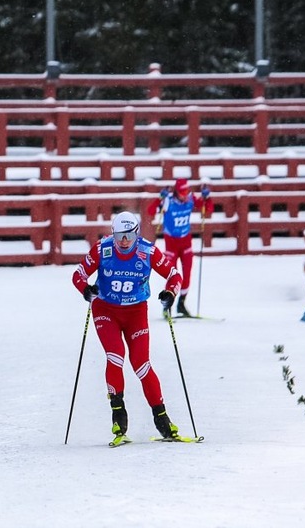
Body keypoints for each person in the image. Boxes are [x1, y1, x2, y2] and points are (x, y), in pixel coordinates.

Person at [72, 210, 183, 444]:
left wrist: (170, 293)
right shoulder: (103, 249)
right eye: (119, 235)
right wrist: (86, 289)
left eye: (129, 236)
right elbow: (79, 274)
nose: (124, 241)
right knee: (115, 357)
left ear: (136, 233)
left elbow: (174, 275)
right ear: (113, 233)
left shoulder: (148, 251)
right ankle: (118, 414)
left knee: (141, 364)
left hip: (136, 312)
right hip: (106, 310)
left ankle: (162, 418)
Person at [144, 178, 213, 317]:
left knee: (187, 273)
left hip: (186, 242)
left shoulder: (190, 198)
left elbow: (208, 209)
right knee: (172, 275)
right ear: (176, 191)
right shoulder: (168, 200)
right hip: (172, 244)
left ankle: (181, 304)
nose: (185, 194)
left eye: (187, 191)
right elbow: (150, 211)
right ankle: (167, 305)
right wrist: (160, 198)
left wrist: (207, 197)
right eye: (182, 192)